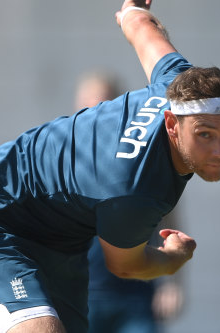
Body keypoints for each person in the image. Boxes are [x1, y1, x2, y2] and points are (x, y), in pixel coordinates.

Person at [0, 0, 220, 333]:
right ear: (172, 124)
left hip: (63, 242)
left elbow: (143, 29)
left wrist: (131, 11)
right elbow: (127, 265)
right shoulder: (134, 190)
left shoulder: (176, 83)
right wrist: (170, 262)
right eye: (205, 134)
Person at [74, 73, 184, 333]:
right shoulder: (66, 159)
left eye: (104, 103)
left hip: (136, 294)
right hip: (80, 297)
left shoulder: (144, 157)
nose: (97, 112)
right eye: (90, 105)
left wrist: (173, 284)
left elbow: (170, 221)